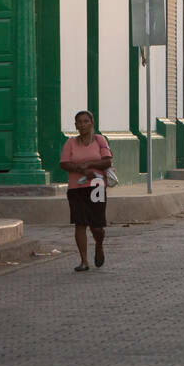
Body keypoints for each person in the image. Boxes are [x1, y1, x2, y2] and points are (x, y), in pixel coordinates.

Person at [60, 110, 113, 271]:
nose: (82, 125)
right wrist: (81, 170)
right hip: (76, 188)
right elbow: (64, 163)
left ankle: (99, 244)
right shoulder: (71, 143)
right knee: (80, 223)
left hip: (96, 186)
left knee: (96, 225)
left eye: (85, 121)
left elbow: (107, 162)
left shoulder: (99, 140)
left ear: (92, 123)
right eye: (79, 122)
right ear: (75, 125)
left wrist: (89, 166)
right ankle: (84, 261)